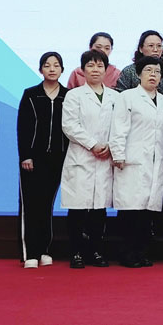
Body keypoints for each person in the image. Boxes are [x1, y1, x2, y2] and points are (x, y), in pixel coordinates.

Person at [110, 56, 163, 268]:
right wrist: (118, 154)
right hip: (132, 160)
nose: (153, 75)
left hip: (156, 162)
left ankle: (141, 251)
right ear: (138, 74)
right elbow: (119, 128)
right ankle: (127, 253)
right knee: (131, 210)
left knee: (148, 211)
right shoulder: (127, 97)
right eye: (148, 70)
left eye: (157, 71)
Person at [60, 49, 118, 269]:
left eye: (100, 65)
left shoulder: (115, 97)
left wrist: (110, 145)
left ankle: (96, 251)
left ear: (106, 70)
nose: (95, 69)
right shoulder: (74, 95)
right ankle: (76, 252)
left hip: (105, 157)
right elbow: (69, 125)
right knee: (78, 208)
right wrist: (93, 144)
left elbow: (120, 126)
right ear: (82, 70)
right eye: (90, 65)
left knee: (99, 209)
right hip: (82, 156)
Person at [17, 52, 69, 269]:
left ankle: (44, 250)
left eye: (56, 65)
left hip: (58, 158)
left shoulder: (68, 95)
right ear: (40, 69)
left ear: (62, 70)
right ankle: (30, 252)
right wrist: (26, 155)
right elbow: (23, 126)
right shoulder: (31, 94)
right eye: (47, 65)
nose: (52, 69)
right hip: (33, 159)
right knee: (31, 204)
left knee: (47, 204)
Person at [116, 30, 163, 95]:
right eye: (151, 46)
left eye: (159, 46)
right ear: (141, 49)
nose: (155, 50)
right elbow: (120, 95)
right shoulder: (129, 71)